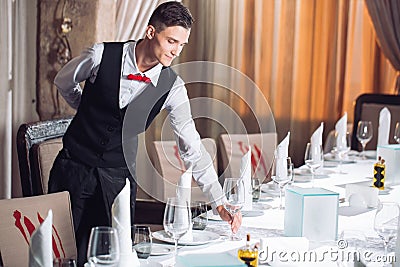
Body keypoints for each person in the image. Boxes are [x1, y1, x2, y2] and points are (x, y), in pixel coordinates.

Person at [48, 2, 242, 265]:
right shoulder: (100, 55)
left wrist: (218, 201)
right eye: (171, 41)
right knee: (62, 256)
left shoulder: (173, 87)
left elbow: (192, 147)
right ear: (151, 32)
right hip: (72, 170)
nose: (176, 51)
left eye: (181, 45)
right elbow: (63, 80)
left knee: (114, 259)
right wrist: (85, 106)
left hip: (118, 182)